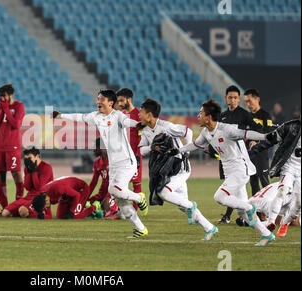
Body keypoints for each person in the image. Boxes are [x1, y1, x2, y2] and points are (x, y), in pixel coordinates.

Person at [174, 99, 276, 246]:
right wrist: (178, 150)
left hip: (241, 169)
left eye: (201, 113)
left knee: (220, 196)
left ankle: (251, 207)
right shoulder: (206, 132)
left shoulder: (227, 129)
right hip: (230, 172)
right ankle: (267, 235)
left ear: (209, 117)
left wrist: (265, 137)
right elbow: (196, 145)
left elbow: (246, 133)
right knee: (243, 215)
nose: (198, 116)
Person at [53, 89, 149, 238]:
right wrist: (60, 115)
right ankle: (140, 228)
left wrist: (138, 124)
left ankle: (139, 198)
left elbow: (128, 122)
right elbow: (80, 117)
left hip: (126, 162)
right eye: (98, 99)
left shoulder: (118, 116)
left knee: (117, 189)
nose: (98, 102)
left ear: (111, 102)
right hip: (114, 164)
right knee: (117, 196)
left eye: (101, 99)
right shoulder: (96, 116)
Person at [138, 99, 218, 240]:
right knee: (182, 205)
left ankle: (192, 206)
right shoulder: (145, 131)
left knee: (163, 192)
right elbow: (141, 151)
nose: (139, 115)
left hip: (180, 166)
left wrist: (187, 151)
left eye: (141, 112)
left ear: (149, 115)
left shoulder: (166, 126)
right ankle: (209, 227)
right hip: (166, 169)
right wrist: (151, 147)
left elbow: (187, 131)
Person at [217, 85, 262, 224]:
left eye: (235, 98)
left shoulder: (243, 114)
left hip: (239, 158)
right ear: (226, 99)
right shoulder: (222, 116)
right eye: (230, 97)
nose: (233, 100)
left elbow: (258, 128)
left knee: (232, 186)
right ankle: (248, 218)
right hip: (226, 157)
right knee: (237, 188)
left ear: (238, 99)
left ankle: (238, 215)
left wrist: (252, 139)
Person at [250, 117, 301, 237]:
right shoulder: (291, 126)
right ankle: (271, 221)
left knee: (298, 202)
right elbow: (272, 139)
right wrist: (255, 150)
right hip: (288, 167)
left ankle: (284, 223)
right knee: (282, 192)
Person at [0, 84, 25, 208]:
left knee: (16, 174)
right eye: (0, 96)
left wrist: (6, 109)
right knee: (0, 176)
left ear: (11, 95)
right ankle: (5, 207)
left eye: (4, 96)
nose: (2, 99)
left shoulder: (19, 106)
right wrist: (2, 109)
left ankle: (17, 204)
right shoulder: (0, 106)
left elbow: (16, 124)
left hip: (12, 147)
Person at [2, 147, 54, 218]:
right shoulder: (27, 168)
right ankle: (25, 213)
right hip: (28, 197)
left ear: (37, 156)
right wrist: (29, 172)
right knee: (5, 213)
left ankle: (42, 214)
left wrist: (33, 172)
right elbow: (27, 187)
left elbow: (39, 188)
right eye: (26, 158)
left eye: (30, 158)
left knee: (22, 210)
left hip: (40, 198)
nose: (28, 160)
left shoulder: (47, 167)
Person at [244, 89, 273, 196]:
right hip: (250, 155)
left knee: (265, 183)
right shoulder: (246, 117)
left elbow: (269, 135)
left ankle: (269, 210)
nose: (248, 104)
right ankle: (257, 211)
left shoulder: (265, 115)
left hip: (262, 154)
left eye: (250, 101)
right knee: (253, 184)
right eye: (246, 102)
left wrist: (256, 141)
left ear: (258, 99)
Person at [116, 88, 143, 199]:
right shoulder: (120, 115)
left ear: (129, 99)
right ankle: (123, 211)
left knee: (136, 185)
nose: (120, 104)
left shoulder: (138, 115)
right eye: (119, 101)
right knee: (121, 184)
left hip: (135, 155)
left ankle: (136, 211)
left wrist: (137, 155)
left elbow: (141, 138)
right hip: (123, 156)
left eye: (122, 101)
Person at [31, 177, 97, 219]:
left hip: (81, 189)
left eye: (44, 207)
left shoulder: (58, 189)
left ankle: (94, 208)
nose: (45, 209)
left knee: (74, 216)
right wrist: (42, 216)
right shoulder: (44, 196)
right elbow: (49, 216)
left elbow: (77, 195)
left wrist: (71, 212)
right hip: (67, 196)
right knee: (60, 217)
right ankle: (82, 206)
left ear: (46, 200)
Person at [87, 138, 118, 219]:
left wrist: (108, 196)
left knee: (106, 204)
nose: (93, 149)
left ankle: (119, 208)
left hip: (113, 191)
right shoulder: (97, 162)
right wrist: (86, 196)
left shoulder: (113, 160)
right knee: (87, 203)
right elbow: (94, 182)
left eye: (95, 147)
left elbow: (116, 180)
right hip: (102, 193)